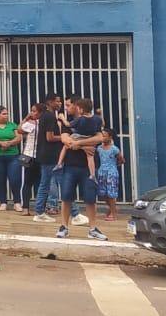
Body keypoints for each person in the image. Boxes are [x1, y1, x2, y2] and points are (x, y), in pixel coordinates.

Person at [57, 98, 106, 240]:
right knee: (66, 197)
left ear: (78, 107)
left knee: (91, 199)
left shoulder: (92, 122)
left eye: (69, 105)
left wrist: (80, 143)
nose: (66, 108)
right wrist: (86, 146)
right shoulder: (69, 124)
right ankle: (64, 226)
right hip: (71, 165)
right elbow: (66, 140)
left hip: (88, 167)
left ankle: (93, 228)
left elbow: (100, 138)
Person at [33, 94, 67, 222]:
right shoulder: (50, 116)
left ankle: (39, 211)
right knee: (60, 182)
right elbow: (50, 137)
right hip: (50, 155)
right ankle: (74, 213)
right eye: (57, 101)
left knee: (46, 184)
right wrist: (64, 137)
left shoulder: (45, 116)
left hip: (47, 154)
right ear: (50, 102)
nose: (60, 103)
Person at [17, 104, 44, 216]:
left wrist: (26, 118)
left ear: (39, 112)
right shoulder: (45, 124)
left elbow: (19, 129)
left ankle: (25, 208)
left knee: (27, 183)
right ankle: (39, 209)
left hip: (29, 155)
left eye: (33, 111)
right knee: (39, 183)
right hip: (40, 156)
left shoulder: (31, 124)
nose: (32, 113)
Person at [96, 128, 124, 221]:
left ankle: (113, 214)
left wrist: (115, 165)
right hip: (102, 172)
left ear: (110, 137)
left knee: (111, 194)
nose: (102, 137)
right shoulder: (99, 148)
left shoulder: (114, 149)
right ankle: (113, 208)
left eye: (104, 136)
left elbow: (121, 159)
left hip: (111, 172)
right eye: (101, 135)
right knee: (103, 193)